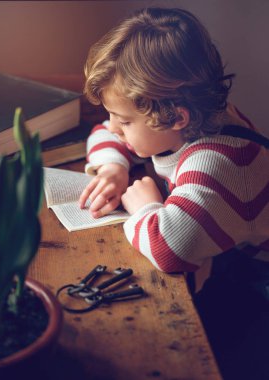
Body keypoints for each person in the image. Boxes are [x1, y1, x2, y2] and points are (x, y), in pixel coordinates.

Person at [79, 8, 269, 378]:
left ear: (177, 118)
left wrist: (146, 206)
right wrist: (114, 167)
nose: (114, 128)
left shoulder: (220, 162)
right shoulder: (181, 126)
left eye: (126, 121)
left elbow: (171, 248)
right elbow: (103, 130)